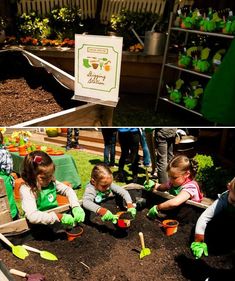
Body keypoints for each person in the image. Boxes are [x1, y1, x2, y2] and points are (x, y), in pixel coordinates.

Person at [20, 150, 85, 231]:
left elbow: (68, 190)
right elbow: (33, 216)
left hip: (54, 223)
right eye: (43, 178)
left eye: (50, 175)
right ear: (31, 175)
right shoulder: (27, 190)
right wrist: (59, 216)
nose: (48, 180)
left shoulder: (52, 182)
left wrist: (76, 206)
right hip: (38, 228)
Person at [144, 154, 203, 219]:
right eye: (169, 176)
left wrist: (158, 207)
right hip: (177, 214)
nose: (171, 180)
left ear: (187, 174)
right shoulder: (173, 182)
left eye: (174, 177)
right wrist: (153, 185)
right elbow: (161, 187)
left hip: (190, 218)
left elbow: (175, 202)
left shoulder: (190, 187)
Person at [191, 177, 235, 259]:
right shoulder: (223, 200)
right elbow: (204, 218)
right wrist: (198, 241)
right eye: (233, 201)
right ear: (229, 188)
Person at [0, 131, 18, 220]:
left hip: (2, 179)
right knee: (7, 201)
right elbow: (9, 169)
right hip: (4, 179)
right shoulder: (4, 152)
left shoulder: (2, 152)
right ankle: (12, 217)